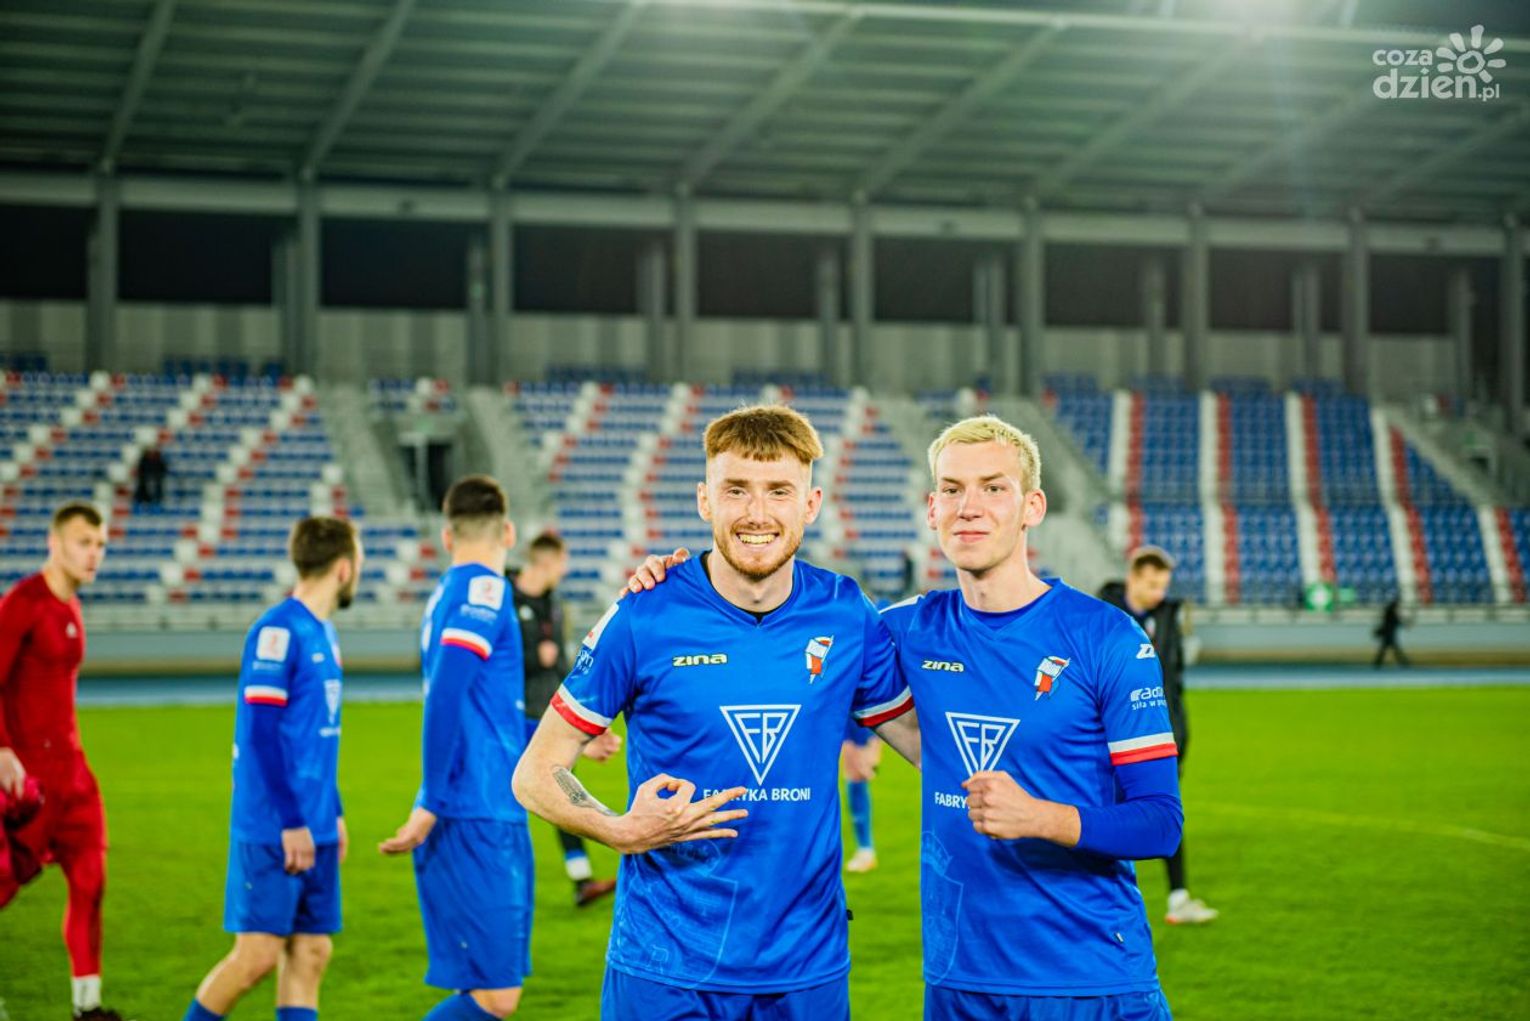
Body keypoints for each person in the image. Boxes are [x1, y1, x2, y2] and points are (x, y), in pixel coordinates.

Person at [512, 405, 920, 1021]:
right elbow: (536, 771)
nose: (757, 513)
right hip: (665, 971)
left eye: (779, 491)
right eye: (736, 490)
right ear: (705, 500)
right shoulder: (644, 615)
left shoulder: (845, 613)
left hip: (806, 972)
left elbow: (925, 744)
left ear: (810, 504)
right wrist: (621, 829)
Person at [879, 415, 1181, 1020]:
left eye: (994, 488)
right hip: (958, 981)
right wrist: (685, 586)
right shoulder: (904, 629)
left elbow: (1159, 823)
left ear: (1032, 507)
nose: (969, 507)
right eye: (952, 489)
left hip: (1088, 979)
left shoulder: (1107, 637)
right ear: (932, 508)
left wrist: (1039, 817)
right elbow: (784, 631)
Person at [183, 516, 363, 1021]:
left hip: (315, 823)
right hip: (275, 825)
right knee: (256, 957)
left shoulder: (324, 632)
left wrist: (333, 812)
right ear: (344, 568)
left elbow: (317, 736)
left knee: (311, 951)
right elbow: (260, 735)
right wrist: (292, 821)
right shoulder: (277, 631)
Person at [380, 475, 544, 1020]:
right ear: (509, 532)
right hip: (475, 807)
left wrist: (563, 740)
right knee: (496, 996)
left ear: (447, 537)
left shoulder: (447, 595)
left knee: (492, 990)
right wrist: (432, 799)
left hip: (485, 804)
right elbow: (447, 695)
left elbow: (485, 712)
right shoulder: (486, 591)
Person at [0, 501, 128, 1021]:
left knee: (91, 881)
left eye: (100, 545)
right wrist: (2, 749)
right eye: (84, 543)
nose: (94, 554)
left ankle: (87, 1007)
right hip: (27, 781)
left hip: (73, 776)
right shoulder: (22, 603)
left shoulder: (71, 605)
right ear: (54, 544)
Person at [1099, 546, 1218, 926]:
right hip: (1108, 739)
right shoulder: (1101, 615)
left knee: (1165, 811)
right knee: (1104, 818)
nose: (1159, 593)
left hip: (1158, 738)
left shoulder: (1167, 616)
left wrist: (1179, 735)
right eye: (1152, 585)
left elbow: (1174, 684)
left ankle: (1178, 899)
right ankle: (1099, 906)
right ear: (1132, 579)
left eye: (1163, 586)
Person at [510, 530, 619, 908]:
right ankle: (506, 884)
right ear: (547, 561)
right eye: (562, 562)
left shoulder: (554, 604)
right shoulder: (506, 600)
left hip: (547, 713)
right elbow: (496, 663)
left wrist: (581, 722)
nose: (564, 570)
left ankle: (581, 879)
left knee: (559, 791)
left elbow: (561, 665)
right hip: (512, 716)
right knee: (517, 798)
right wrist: (533, 657)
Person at [840, 719, 881, 873]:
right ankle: (865, 850)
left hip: (856, 728)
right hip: (848, 725)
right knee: (853, 779)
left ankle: (866, 850)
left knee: (856, 778)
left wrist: (871, 744)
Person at [1373, 598, 1409, 668]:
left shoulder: (1388, 612)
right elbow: (1397, 622)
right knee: (1394, 650)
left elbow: (1392, 622)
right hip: (1390, 635)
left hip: (1387, 634)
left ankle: (1377, 663)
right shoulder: (1392, 613)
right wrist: (1404, 623)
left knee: (1384, 650)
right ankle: (1403, 663)